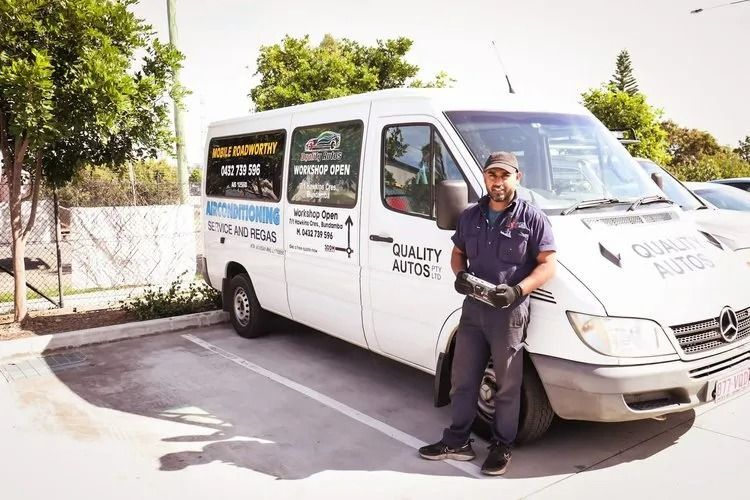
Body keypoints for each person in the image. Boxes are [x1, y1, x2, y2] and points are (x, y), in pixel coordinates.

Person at [418, 151, 557, 476]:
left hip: (508, 313)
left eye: (504, 175)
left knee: (507, 386)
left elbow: (548, 264)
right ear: (485, 177)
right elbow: (457, 253)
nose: (498, 181)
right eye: (492, 175)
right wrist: (460, 275)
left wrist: (517, 290)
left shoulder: (532, 218)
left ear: (516, 178)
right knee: (462, 380)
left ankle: (501, 445)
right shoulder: (470, 216)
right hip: (473, 311)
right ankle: (457, 441)